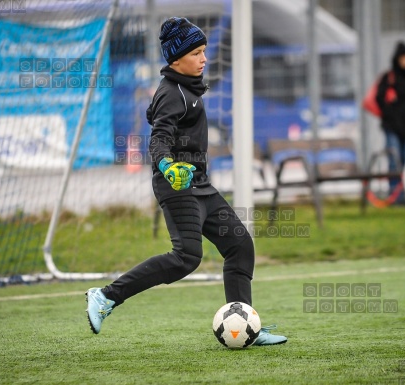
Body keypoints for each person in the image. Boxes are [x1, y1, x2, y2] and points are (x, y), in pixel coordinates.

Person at [84, 17, 287, 345]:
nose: (204, 58)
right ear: (176, 58)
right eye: (197, 53)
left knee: (239, 246)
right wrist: (167, 165)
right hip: (177, 187)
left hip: (201, 185)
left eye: (204, 51)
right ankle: (106, 296)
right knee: (186, 257)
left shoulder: (189, 87)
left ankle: (245, 326)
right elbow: (158, 138)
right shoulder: (171, 93)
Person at [375, 41, 405, 205]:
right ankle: (395, 197)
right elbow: (379, 98)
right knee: (394, 161)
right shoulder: (389, 77)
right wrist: (390, 113)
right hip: (392, 126)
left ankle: (399, 193)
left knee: (404, 159)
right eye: (403, 58)